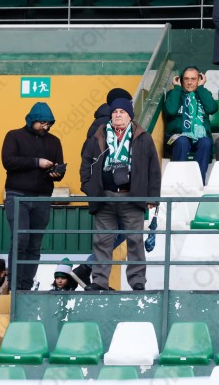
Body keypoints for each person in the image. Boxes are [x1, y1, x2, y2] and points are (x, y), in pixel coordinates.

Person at [80, 98, 161, 292]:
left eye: (122, 112)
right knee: (102, 241)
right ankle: (99, 281)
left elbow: (153, 169)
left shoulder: (143, 137)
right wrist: (89, 188)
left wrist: (152, 197)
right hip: (104, 197)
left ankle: (137, 281)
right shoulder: (99, 135)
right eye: (115, 112)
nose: (118, 115)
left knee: (135, 240)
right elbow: (86, 163)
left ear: (130, 116)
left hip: (132, 197)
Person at [1, 101, 65, 291]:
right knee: (20, 239)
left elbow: (59, 170)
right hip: (17, 195)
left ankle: (26, 287)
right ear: (31, 120)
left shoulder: (54, 141)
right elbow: (8, 161)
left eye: (49, 124)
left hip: (42, 197)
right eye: (42, 123)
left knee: (35, 244)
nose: (46, 127)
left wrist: (57, 173)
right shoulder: (14, 136)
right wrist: (37, 162)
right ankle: (15, 285)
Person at [163, 66, 218, 183]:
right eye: (186, 79)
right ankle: (178, 182)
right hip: (177, 137)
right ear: (181, 80)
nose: (189, 82)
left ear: (199, 80)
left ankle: (198, 182)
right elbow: (171, 111)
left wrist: (201, 88)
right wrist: (177, 88)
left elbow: (212, 109)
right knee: (182, 141)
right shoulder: (174, 93)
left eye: (193, 79)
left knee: (206, 142)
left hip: (199, 137)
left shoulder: (203, 93)